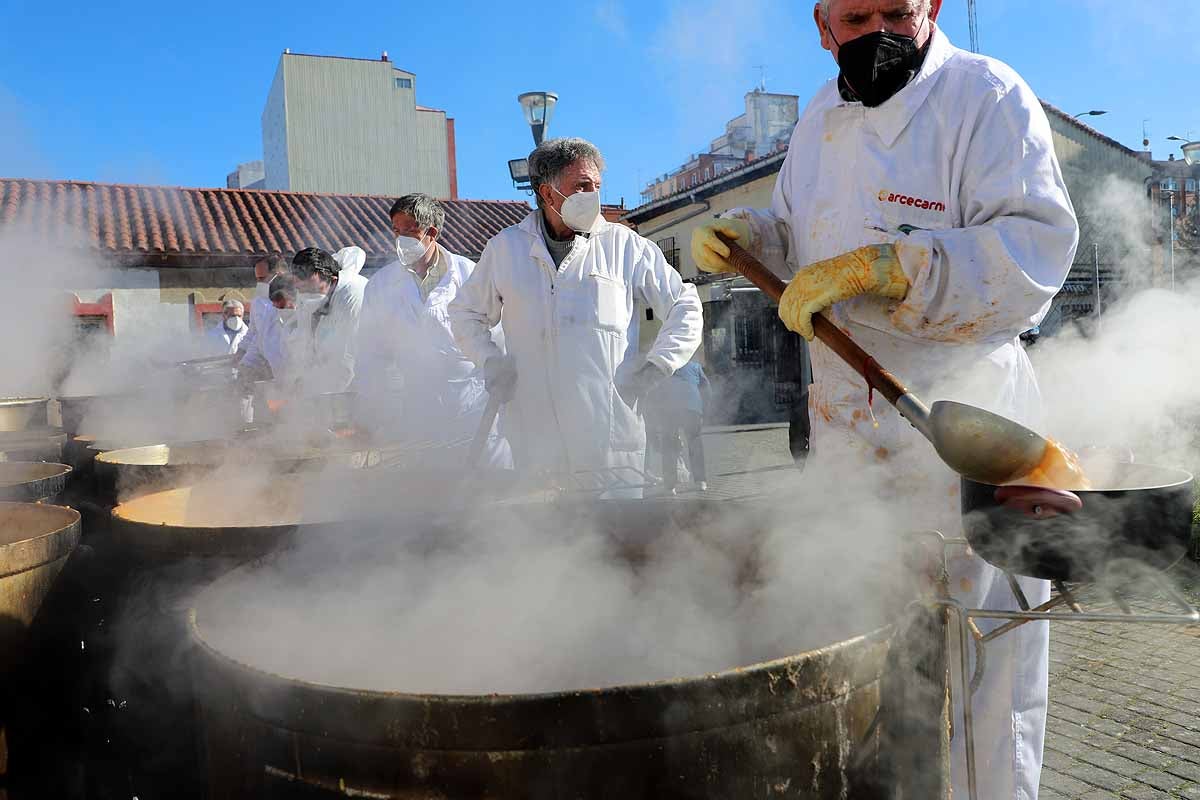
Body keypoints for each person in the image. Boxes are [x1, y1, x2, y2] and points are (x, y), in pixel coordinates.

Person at [690, 2, 1077, 797]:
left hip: (963, 434)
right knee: (867, 670)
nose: (879, 32)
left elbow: (1037, 250)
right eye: (856, 15)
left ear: (932, 7)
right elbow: (796, 238)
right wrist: (747, 238)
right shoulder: (818, 124)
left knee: (987, 680)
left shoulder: (986, 96)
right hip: (851, 449)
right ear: (822, 26)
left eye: (897, 11)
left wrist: (897, 269)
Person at [450, 138, 703, 494]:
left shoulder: (624, 246)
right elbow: (465, 313)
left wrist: (659, 364)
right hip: (535, 441)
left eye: (597, 187)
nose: (593, 196)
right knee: (548, 543)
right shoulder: (506, 249)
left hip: (610, 442)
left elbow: (685, 303)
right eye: (581, 187)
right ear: (547, 193)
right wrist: (490, 361)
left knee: (617, 542)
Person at [354, 194, 511, 467]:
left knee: (486, 494)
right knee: (428, 493)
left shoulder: (471, 275)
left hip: (474, 410)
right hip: (415, 410)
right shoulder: (380, 285)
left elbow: (499, 344)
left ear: (432, 232)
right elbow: (370, 356)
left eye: (410, 229)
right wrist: (372, 412)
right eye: (396, 230)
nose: (401, 238)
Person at [290, 246, 367, 393]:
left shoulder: (353, 297)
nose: (306, 296)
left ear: (332, 280)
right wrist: (302, 378)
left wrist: (319, 398)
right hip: (329, 378)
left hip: (361, 384)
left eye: (312, 290)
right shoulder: (306, 290)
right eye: (301, 290)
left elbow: (347, 360)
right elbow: (305, 342)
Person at [645, 359, 710, 494]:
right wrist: (703, 410)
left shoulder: (664, 364)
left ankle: (670, 486)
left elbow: (654, 388)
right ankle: (700, 482)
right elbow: (706, 388)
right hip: (692, 407)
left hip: (670, 408)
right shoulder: (695, 365)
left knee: (669, 444)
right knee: (695, 442)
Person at [235, 253, 289, 381]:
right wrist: (244, 357)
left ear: (278, 274)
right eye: (257, 279)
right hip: (266, 367)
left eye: (262, 278)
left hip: (289, 369)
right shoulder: (257, 302)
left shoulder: (294, 300)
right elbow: (256, 334)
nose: (259, 283)